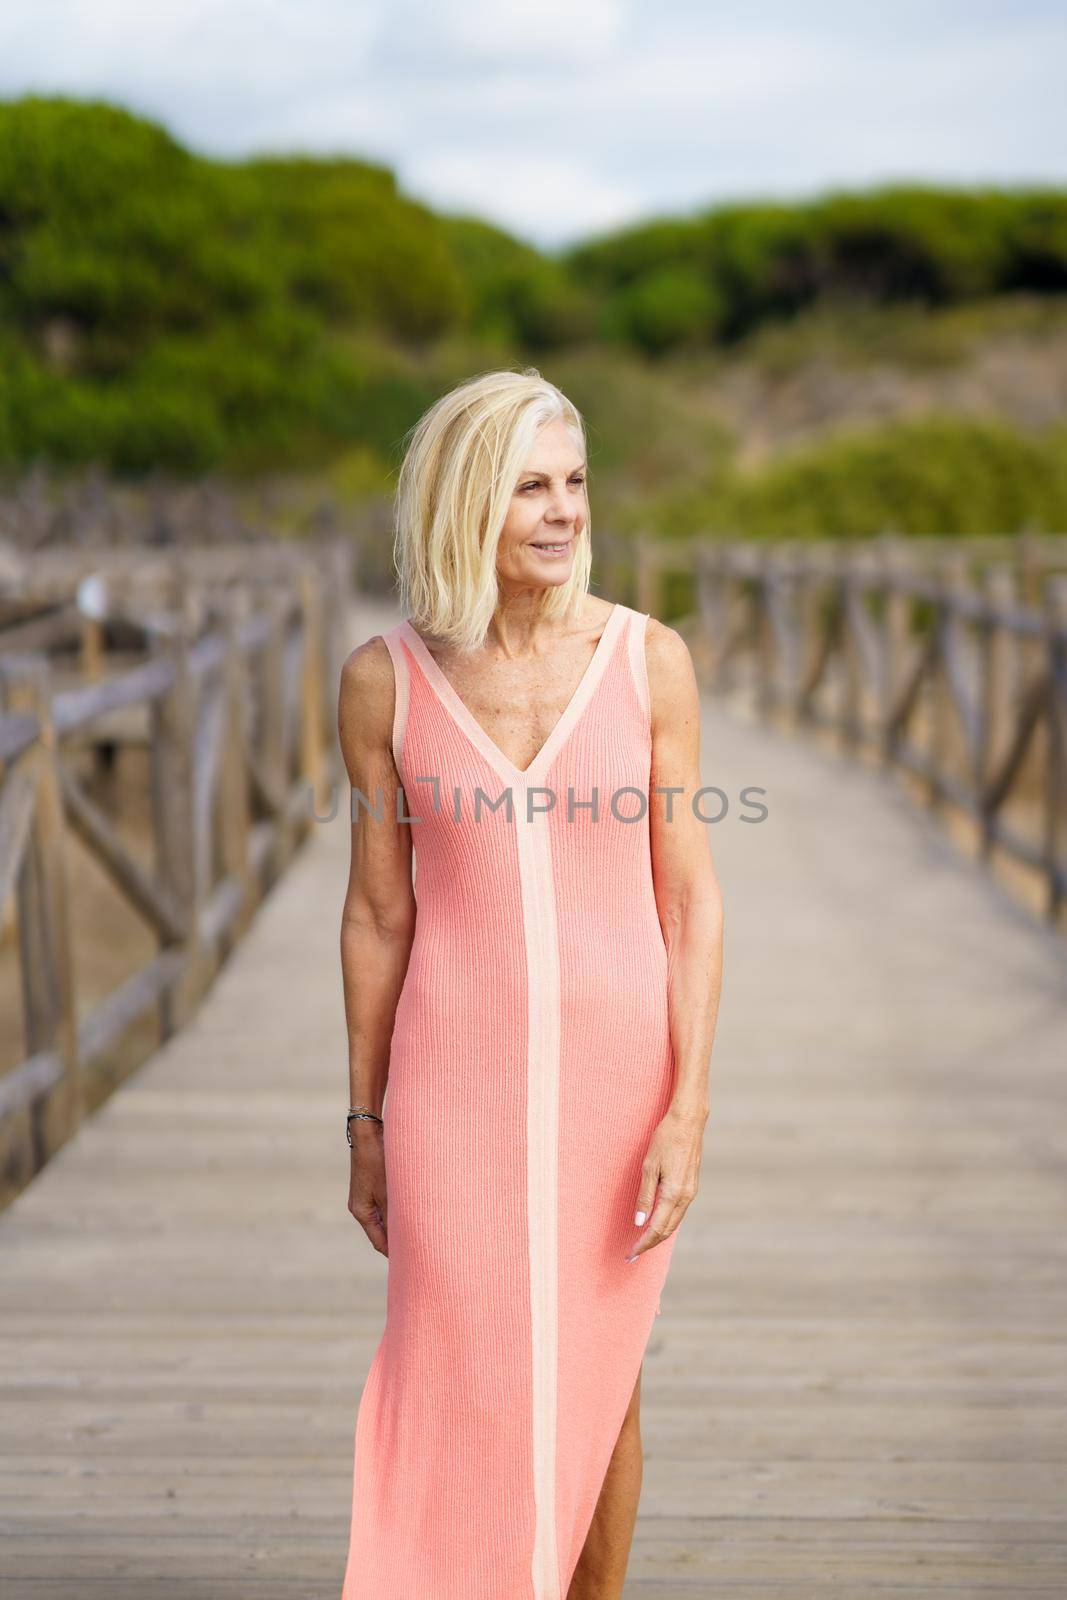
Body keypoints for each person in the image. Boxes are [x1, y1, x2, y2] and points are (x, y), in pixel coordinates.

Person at [337, 367, 723, 1600]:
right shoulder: (382, 681)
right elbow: (378, 912)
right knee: (450, 1359)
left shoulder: (644, 661)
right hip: (448, 1080)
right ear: (465, 503)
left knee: (600, 1375)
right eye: (528, 488)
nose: (561, 512)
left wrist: (687, 1107)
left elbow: (688, 899)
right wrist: (363, 1117)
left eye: (573, 483)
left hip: (619, 1081)